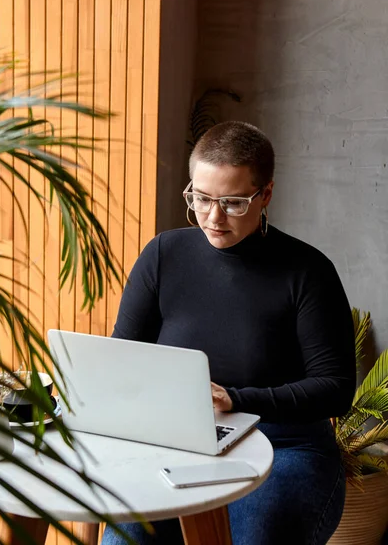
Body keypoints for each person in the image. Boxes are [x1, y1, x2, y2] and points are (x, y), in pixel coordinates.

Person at [101, 121, 356, 545]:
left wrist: (237, 398)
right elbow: (122, 359)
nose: (213, 217)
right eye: (200, 199)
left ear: (266, 195)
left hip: (285, 447)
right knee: (126, 537)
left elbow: (336, 389)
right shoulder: (164, 255)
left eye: (233, 202)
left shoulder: (307, 272)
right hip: (178, 441)